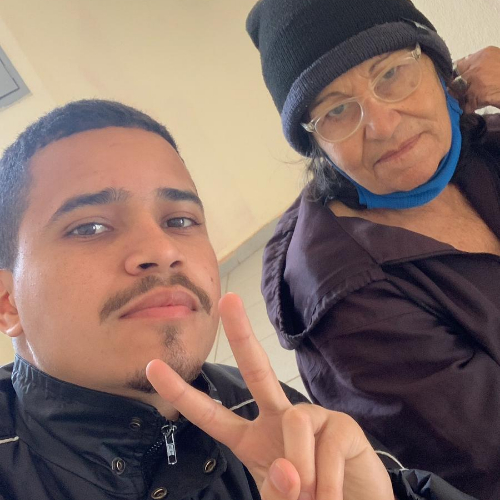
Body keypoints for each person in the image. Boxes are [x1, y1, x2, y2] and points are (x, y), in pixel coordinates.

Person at [0, 99, 475, 500]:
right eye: (90, 227)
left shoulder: (265, 416)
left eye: (179, 220)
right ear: (8, 302)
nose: (162, 250)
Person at [246, 0, 500, 499]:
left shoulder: (477, 143)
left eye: (391, 73)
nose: (382, 124)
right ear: (318, 145)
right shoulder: (349, 298)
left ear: (440, 70)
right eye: (336, 110)